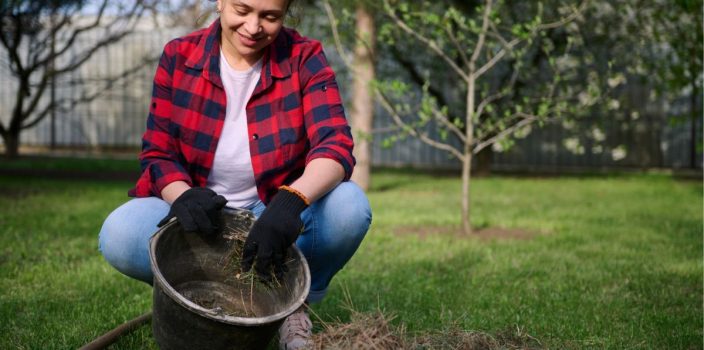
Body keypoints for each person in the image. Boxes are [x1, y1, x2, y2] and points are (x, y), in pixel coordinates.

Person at [97, 0, 371, 348]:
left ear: (286, 14)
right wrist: (182, 196)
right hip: (205, 216)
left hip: (272, 212)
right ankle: (197, 293)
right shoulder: (179, 57)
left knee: (350, 207)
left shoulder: (305, 57)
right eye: (243, 10)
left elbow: (335, 145)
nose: (253, 27)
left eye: (269, 16)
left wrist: (291, 201)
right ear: (220, 3)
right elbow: (158, 152)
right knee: (118, 233)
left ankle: (293, 304)